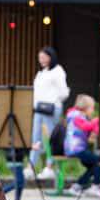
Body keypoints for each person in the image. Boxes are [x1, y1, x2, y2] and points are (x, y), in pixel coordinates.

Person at [29, 46, 69, 179]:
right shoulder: (42, 72)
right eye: (39, 57)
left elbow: (63, 92)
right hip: (39, 109)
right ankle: (31, 167)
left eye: (43, 57)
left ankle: (49, 167)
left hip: (52, 109)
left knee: (50, 138)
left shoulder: (58, 71)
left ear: (50, 57)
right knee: (36, 138)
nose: (41, 60)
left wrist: (52, 101)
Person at [64, 93, 100, 197]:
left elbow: (88, 129)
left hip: (77, 148)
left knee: (94, 165)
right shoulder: (75, 116)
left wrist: (95, 128)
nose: (93, 111)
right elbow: (85, 126)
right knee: (98, 160)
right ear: (85, 108)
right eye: (92, 108)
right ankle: (96, 185)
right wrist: (96, 121)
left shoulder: (79, 116)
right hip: (75, 148)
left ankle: (76, 186)